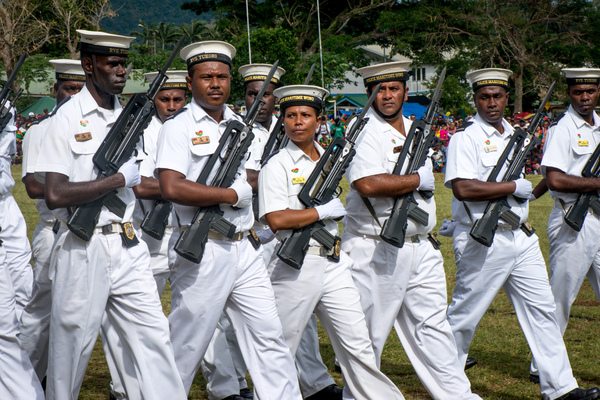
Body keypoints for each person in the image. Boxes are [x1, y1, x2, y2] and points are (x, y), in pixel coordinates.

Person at [34, 29, 187, 400]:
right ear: (89, 65)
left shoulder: (135, 119)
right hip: (84, 247)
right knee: (71, 347)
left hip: (129, 244)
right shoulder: (67, 119)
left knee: (155, 338)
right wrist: (118, 179)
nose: (121, 71)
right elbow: (54, 194)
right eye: (112, 63)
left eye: (124, 63)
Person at [155, 40, 302, 399]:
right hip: (203, 248)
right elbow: (171, 187)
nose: (216, 83)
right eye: (206, 77)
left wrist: (250, 188)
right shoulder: (178, 127)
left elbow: (252, 178)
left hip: (245, 247)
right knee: (187, 344)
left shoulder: (240, 125)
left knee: (268, 336)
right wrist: (230, 194)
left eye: (222, 76)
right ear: (191, 83)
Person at [444, 68, 600, 400]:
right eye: (484, 97)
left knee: (543, 311)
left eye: (498, 96)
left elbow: (538, 181)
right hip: (481, 236)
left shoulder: (513, 134)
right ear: (475, 99)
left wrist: (528, 191)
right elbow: (462, 188)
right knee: (464, 315)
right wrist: (514, 186)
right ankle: (445, 378)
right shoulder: (465, 136)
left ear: (505, 99)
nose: (492, 103)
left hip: (520, 237)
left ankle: (560, 388)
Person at [341, 61, 481, 399]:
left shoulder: (415, 127)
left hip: (421, 245)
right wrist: (418, 179)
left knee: (434, 330)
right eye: (380, 90)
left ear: (405, 90)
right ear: (369, 93)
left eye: (394, 88)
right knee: (369, 335)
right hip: (376, 246)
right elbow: (367, 183)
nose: (387, 95)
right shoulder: (361, 130)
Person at [259, 84, 405, 400]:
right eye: (291, 115)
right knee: (282, 345)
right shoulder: (277, 164)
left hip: (334, 263)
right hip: (296, 264)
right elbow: (276, 220)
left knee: (358, 344)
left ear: (320, 120)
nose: (298, 122)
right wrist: (319, 211)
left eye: (306, 115)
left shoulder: (329, 158)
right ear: (282, 120)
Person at [238, 62, 342, 400]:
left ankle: (313, 380)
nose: (261, 101)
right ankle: (233, 383)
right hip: (253, 228)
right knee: (258, 320)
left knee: (300, 313)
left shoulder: (288, 134)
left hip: (292, 234)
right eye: (254, 94)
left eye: (267, 95)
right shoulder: (238, 131)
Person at [19, 59, 85, 384]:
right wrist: (75, 190)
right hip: (52, 230)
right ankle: (24, 375)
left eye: (81, 89)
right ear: (54, 90)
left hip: (82, 234)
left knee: (71, 314)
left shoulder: (89, 131)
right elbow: (32, 185)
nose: (74, 96)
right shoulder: (40, 129)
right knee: (41, 313)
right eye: (69, 89)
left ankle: (53, 377)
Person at [534, 68, 600, 382]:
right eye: (578, 92)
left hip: (598, 219)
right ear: (569, 93)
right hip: (573, 219)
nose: (584, 98)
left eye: (590, 91)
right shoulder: (562, 129)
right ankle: (541, 365)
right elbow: (556, 178)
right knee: (561, 298)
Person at [0, 65, 45, 400]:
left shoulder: (7, 108)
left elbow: (9, 157)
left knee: (23, 289)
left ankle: (28, 366)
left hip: (5, 204)